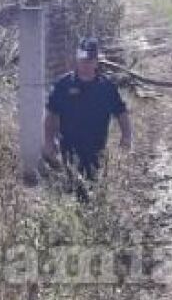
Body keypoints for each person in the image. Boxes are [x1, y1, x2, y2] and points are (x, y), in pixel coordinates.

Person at [43, 37, 133, 193]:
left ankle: (92, 212)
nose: (86, 64)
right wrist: (49, 141)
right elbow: (51, 114)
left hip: (97, 148)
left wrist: (126, 136)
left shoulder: (106, 87)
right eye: (83, 60)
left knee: (94, 187)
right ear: (77, 60)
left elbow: (121, 112)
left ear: (96, 61)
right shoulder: (63, 85)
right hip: (69, 148)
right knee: (72, 187)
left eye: (90, 60)